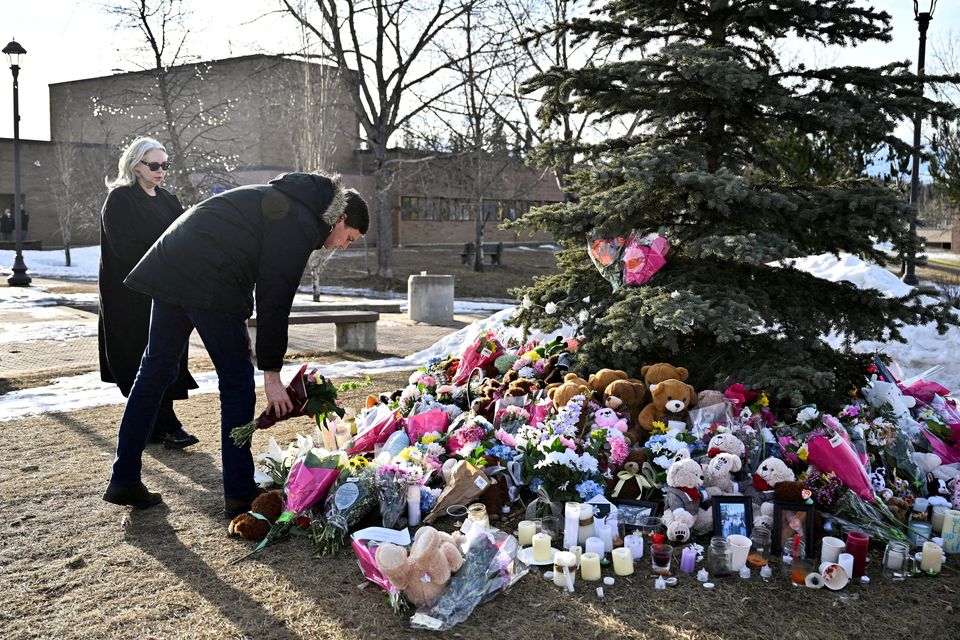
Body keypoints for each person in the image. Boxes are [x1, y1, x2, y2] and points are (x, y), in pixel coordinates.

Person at [101, 171, 368, 516]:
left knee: (153, 373)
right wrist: (272, 377)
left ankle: (124, 477)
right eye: (350, 237)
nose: (344, 246)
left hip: (172, 264)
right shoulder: (300, 220)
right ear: (341, 217)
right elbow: (275, 298)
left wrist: (243, 323)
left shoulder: (288, 200)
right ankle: (240, 494)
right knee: (238, 385)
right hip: (208, 277)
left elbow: (240, 248)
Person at [98, 137, 200, 449]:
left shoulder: (168, 200)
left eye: (164, 165)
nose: (160, 171)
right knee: (138, 358)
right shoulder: (119, 200)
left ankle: (156, 426)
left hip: (166, 292)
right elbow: (125, 249)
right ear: (135, 165)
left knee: (165, 357)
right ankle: (167, 425)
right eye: (153, 165)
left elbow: (185, 236)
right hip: (130, 296)